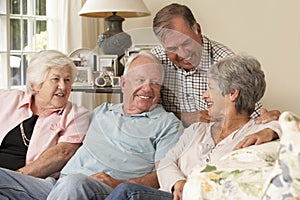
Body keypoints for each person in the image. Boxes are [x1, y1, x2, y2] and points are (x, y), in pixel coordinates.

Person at [0, 51, 184, 200]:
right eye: (140, 80)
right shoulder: (101, 111)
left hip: (102, 190)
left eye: (155, 83)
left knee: (74, 183)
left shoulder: (168, 125)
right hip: (56, 186)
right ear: (123, 83)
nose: (147, 88)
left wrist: (118, 183)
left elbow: (164, 173)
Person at [105, 54, 282, 200]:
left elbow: (293, 140)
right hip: (172, 195)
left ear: (233, 93)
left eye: (210, 88)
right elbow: (166, 163)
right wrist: (178, 183)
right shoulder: (197, 130)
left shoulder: (258, 134)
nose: (205, 95)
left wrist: (276, 127)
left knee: (127, 192)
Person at [151, 3, 280, 131]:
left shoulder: (224, 62)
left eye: (186, 43)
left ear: (198, 30)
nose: (183, 54)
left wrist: (272, 126)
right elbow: (139, 112)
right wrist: (183, 117)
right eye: (172, 48)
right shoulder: (153, 61)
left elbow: (251, 114)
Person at [0, 50, 89, 178]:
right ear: (35, 85)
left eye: (67, 80)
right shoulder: (8, 99)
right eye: (55, 79)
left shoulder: (76, 115)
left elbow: (63, 154)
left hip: (32, 184)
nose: (63, 86)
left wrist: (12, 178)